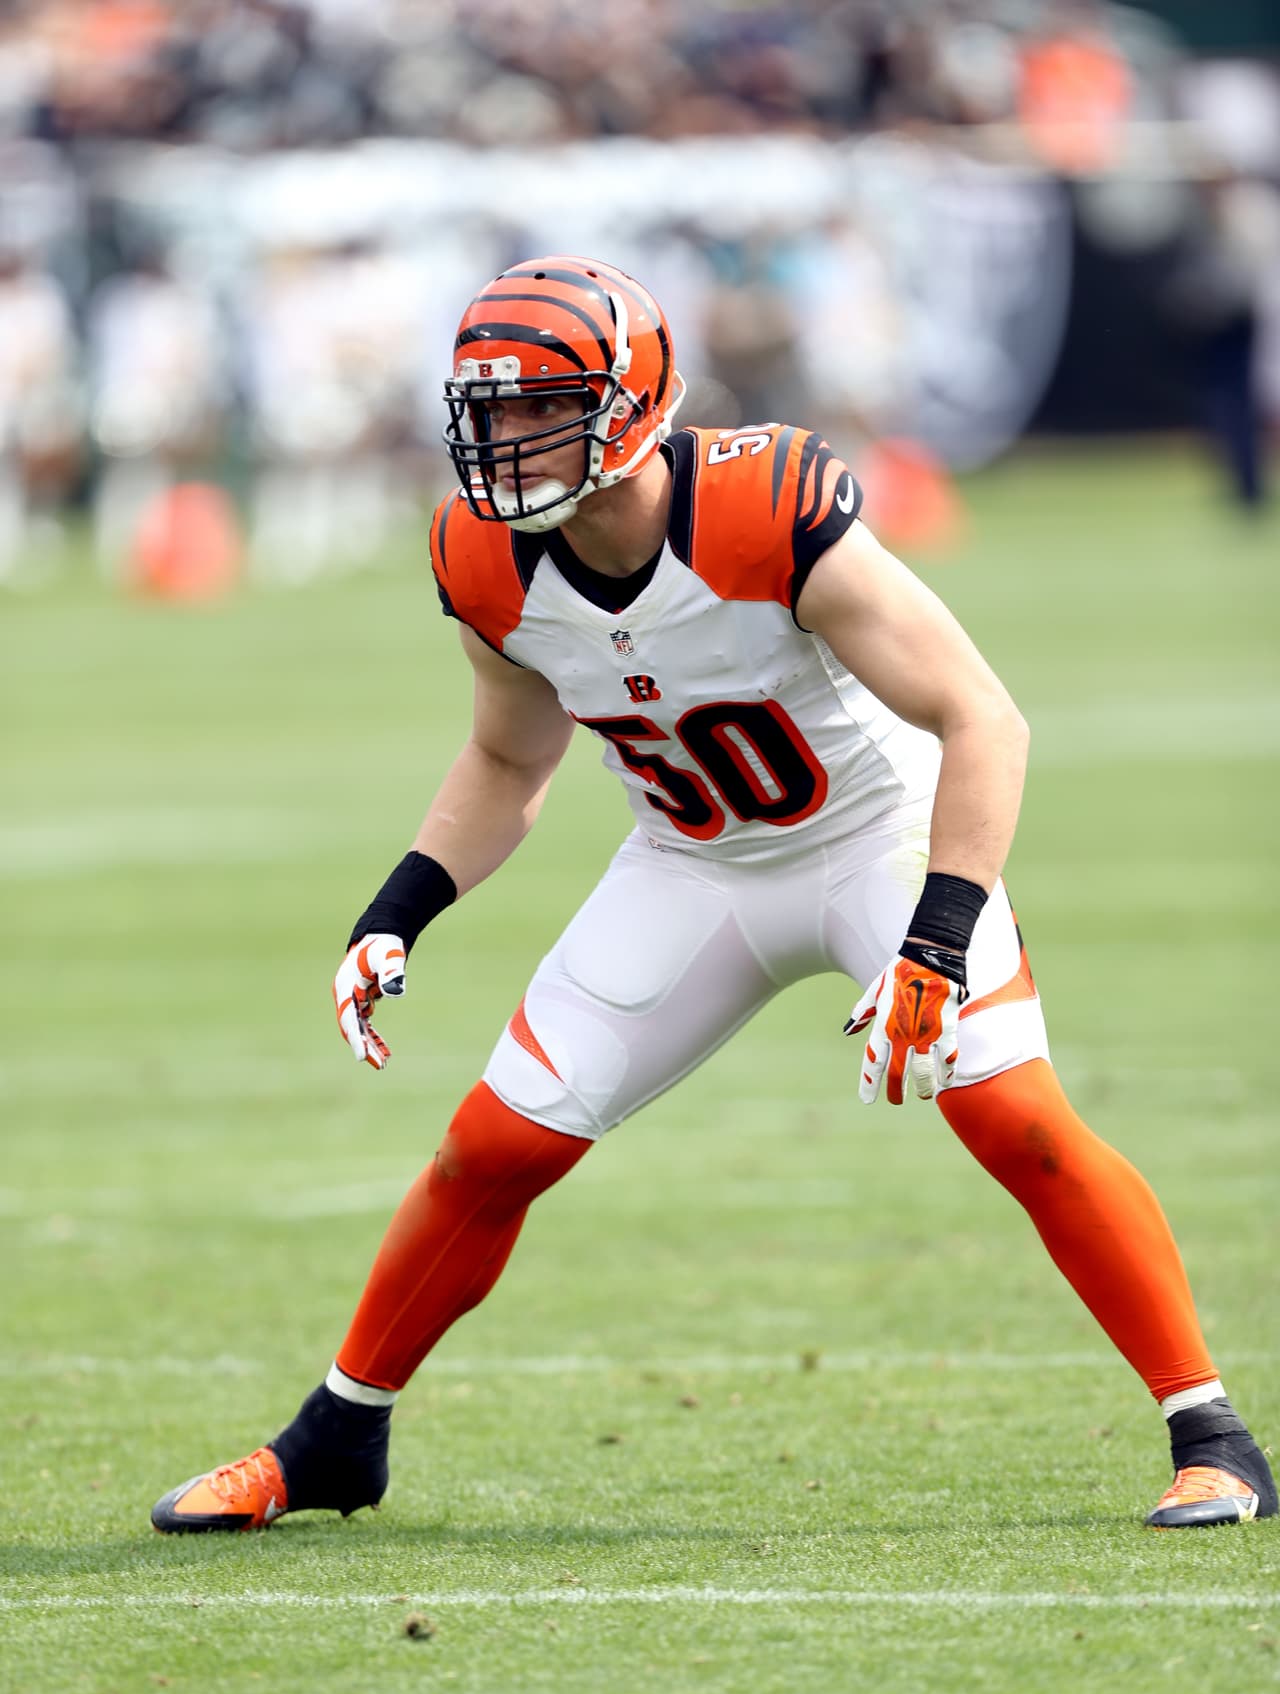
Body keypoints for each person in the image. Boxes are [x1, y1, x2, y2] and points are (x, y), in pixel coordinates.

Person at [152, 255, 1275, 1536]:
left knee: (1009, 1117)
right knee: (491, 1148)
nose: (503, 442)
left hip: (876, 840)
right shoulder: (484, 554)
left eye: (538, 407)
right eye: (488, 410)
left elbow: (982, 719)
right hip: (692, 866)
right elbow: (510, 754)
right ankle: (336, 1437)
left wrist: (935, 934)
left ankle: (1213, 1434)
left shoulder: (765, 506)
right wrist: (397, 907)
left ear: (631, 404)